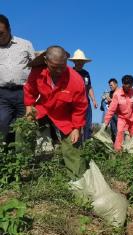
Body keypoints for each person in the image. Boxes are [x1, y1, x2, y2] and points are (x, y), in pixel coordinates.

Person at [24, 46, 87, 177]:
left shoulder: (76, 80)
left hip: (65, 117)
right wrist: (29, 111)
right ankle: (25, 168)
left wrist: (76, 128)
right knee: (22, 130)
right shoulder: (37, 72)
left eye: (62, 67)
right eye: (54, 67)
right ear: (46, 61)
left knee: (73, 144)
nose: (59, 71)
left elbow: (80, 107)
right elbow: (29, 91)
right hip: (43, 110)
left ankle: (77, 180)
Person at [0, 14, 35, 145]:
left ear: (9, 29)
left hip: (24, 91)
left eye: (1, 33)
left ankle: (24, 159)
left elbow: (35, 66)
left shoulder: (25, 44)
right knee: (2, 122)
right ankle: (5, 155)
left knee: (25, 124)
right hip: (2, 93)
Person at [103, 75, 133, 151]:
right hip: (122, 118)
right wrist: (105, 123)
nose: (128, 89)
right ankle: (118, 153)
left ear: (132, 85)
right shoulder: (117, 94)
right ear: (123, 84)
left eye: (130, 87)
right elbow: (111, 110)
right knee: (119, 134)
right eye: (127, 87)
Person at [69, 49, 97, 142]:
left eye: (82, 61)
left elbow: (89, 87)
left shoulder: (86, 74)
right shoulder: (69, 73)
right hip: (74, 104)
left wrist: (93, 100)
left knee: (87, 125)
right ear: (74, 62)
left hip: (86, 103)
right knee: (75, 126)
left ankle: (86, 146)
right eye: (78, 61)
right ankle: (75, 145)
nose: (80, 63)